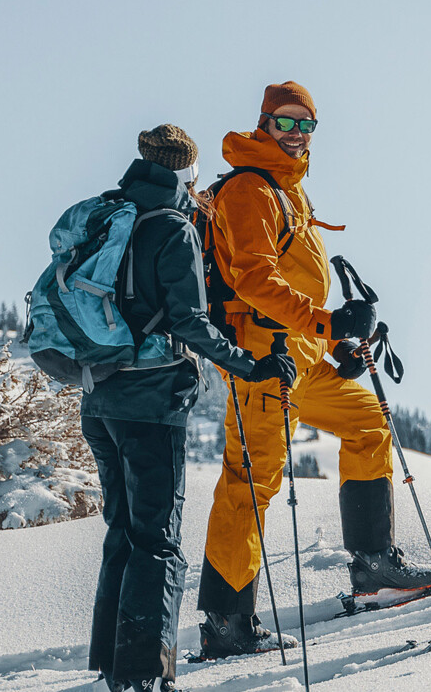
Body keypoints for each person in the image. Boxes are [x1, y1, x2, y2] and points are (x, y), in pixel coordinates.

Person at [194, 81, 431, 658]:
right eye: (286, 121)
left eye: (307, 124)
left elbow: (295, 285)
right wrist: (328, 323)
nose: (297, 133)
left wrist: (334, 348)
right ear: (264, 123)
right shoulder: (250, 189)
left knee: (370, 424)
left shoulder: (287, 190)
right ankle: (227, 624)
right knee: (249, 485)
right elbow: (256, 280)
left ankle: (374, 568)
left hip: (302, 361)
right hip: (263, 364)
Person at [81, 125, 297, 691]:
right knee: (158, 539)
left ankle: (112, 666)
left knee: (123, 533)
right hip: (151, 400)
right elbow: (188, 322)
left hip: (98, 396)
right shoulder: (172, 227)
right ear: (185, 171)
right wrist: (250, 366)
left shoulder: (110, 214)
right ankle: (145, 676)